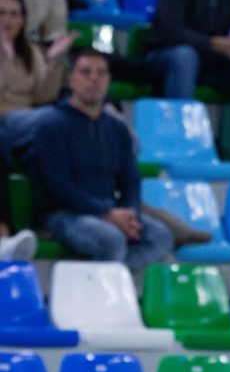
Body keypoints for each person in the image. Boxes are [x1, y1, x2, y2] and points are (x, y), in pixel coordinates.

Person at [27, 49, 174, 272]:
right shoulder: (51, 126)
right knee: (111, 239)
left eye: (101, 73)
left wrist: (130, 213)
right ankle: (105, 285)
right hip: (64, 213)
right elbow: (59, 187)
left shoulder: (117, 128)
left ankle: (107, 280)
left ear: (108, 80)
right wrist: (106, 213)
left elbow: (130, 179)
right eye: (86, 72)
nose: (94, 79)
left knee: (161, 236)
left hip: (110, 209)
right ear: (71, 79)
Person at [0, 0, 71, 161]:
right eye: (1, 13)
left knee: (50, 143)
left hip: (29, 119)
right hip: (3, 119)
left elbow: (43, 97)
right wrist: (6, 60)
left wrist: (52, 62)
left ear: (23, 20)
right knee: (57, 118)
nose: (7, 20)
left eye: (14, 14)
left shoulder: (31, 52)